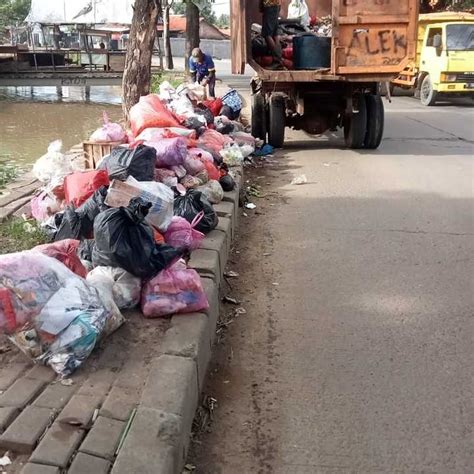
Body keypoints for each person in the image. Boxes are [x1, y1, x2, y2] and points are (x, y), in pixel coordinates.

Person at [260, 0, 283, 66]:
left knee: (267, 34)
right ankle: (279, 59)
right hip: (276, 5)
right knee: (275, 34)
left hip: (269, 5)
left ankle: (277, 60)